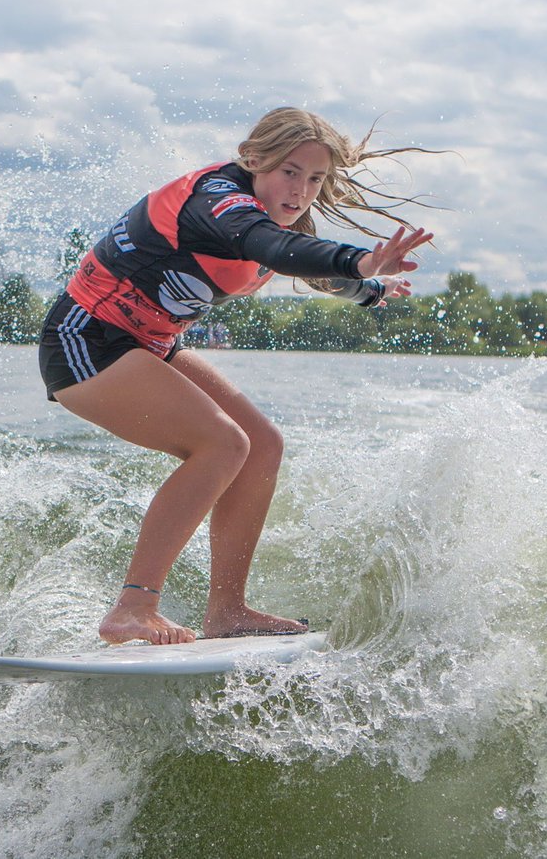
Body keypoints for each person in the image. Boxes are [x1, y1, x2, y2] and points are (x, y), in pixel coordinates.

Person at [38, 107, 436, 645]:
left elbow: (303, 262)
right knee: (222, 443)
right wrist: (361, 263)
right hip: (85, 340)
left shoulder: (276, 220)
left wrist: (368, 289)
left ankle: (227, 610)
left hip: (148, 344)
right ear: (253, 160)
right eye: (289, 171)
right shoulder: (220, 203)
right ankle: (132, 609)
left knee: (263, 444)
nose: (300, 190)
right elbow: (271, 248)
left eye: (315, 179)